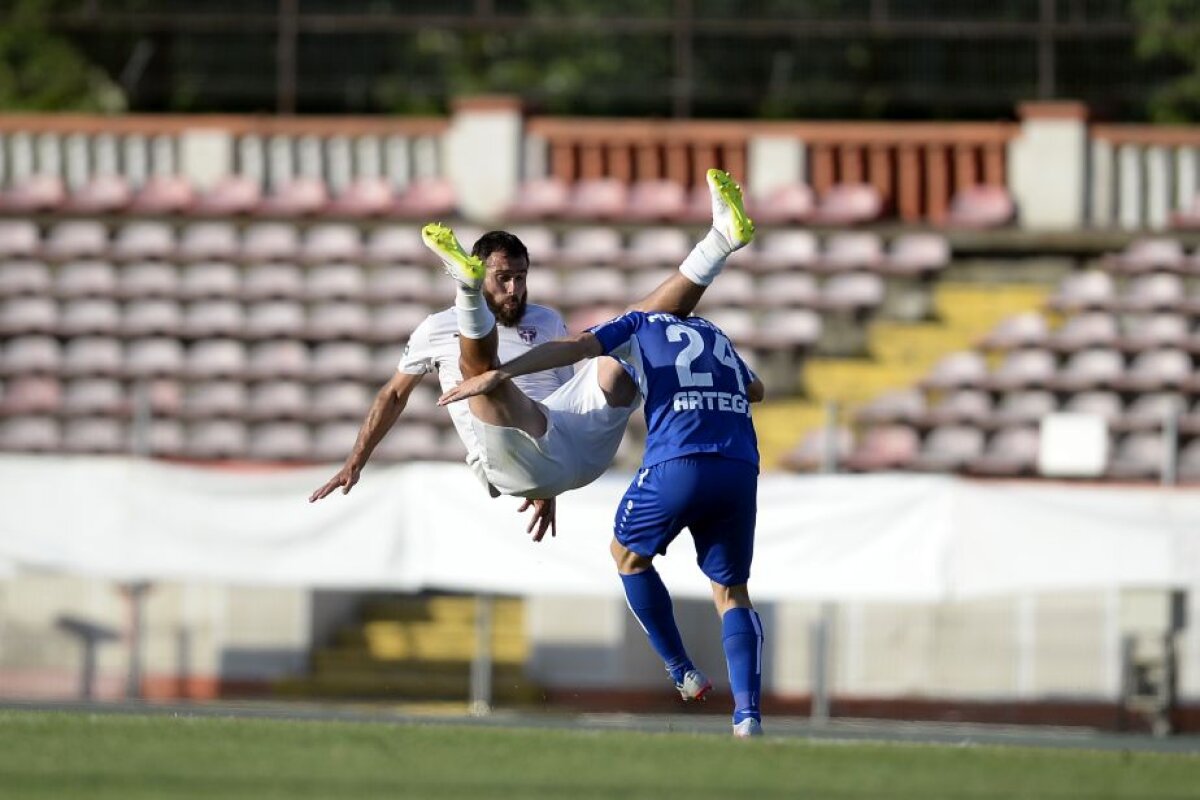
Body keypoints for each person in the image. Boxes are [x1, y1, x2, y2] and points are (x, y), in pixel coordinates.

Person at [310, 168, 755, 542]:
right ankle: (467, 292)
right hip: (514, 460)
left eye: (521, 277)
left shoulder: (545, 320)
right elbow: (393, 395)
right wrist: (356, 462)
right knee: (481, 375)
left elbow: (565, 395)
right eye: (502, 278)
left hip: (572, 445)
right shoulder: (435, 328)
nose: (514, 289)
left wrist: (551, 482)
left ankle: (719, 240)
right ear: (484, 272)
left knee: (633, 329)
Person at [438, 309, 767, 738]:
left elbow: (578, 346)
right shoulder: (713, 331)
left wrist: (502, 373)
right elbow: (756, 389)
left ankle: (681, 669)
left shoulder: (639, 323)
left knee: (626, 556)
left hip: (678, 459)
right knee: (731, 591)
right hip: (739, 466)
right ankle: (747, 716)